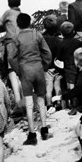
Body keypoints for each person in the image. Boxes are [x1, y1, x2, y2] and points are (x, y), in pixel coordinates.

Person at [8, 13, 52, 145]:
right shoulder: (37, 34)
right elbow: (47, 52)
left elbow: (11, 57)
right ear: (30, 22)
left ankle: (32, 134)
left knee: (28, 103)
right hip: (38, 67)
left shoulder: (16, 38)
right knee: (41, 100)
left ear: (18, 24)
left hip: (25, 69)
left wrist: (18, 70)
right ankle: (44, 129)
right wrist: (44, 65)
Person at [42, 15, 62, 109]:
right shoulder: (58, 40)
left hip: (47, 67)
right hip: (57, 66)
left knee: (48, 87)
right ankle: (58, 102)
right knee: (57, 86)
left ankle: (49, 103)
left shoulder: (42, 39)